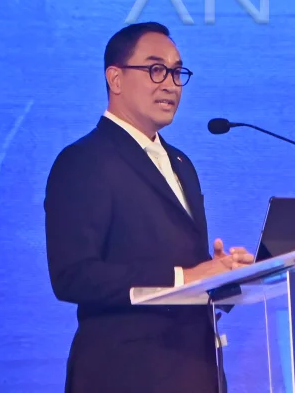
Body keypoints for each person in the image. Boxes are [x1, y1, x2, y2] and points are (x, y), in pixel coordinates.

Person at [44, 22, 254, 393]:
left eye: (176, 72)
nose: (170, 84)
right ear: (115, 79)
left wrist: (221, 276)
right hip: (125, 375)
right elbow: (73, 275)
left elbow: (185, 271)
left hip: (195, 373)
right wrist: (185, 277)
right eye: (156, 69)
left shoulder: (181, 164)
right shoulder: (83, 160)